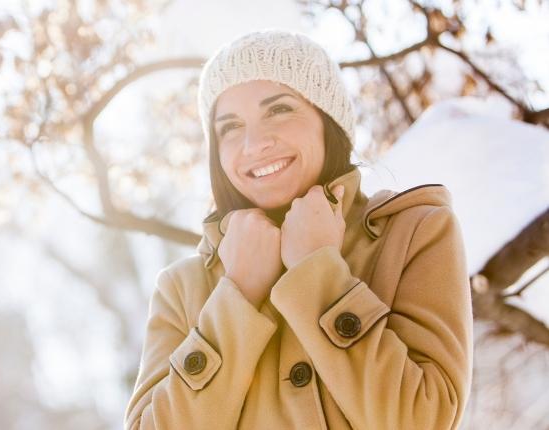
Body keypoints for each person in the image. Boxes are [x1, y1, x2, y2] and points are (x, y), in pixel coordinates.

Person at [124, 29, 473, 429]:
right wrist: (235, 298)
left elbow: (422, 420)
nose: (254, 144)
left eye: (278, 110)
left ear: (328, 121)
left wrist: (317, 273)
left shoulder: (415, 233)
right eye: (230, 127)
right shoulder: (182, 288)